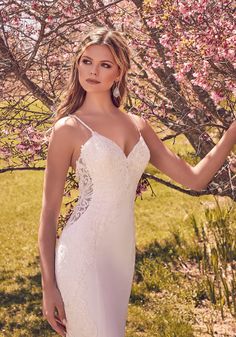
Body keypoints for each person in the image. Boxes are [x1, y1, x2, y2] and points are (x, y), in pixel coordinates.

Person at [38, 26, 236, 337]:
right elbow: (49, 213)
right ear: (77, 64)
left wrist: (232, 133)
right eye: (86, 61)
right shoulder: (69, 128)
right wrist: (48, 285)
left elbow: (194, 179)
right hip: (81, 252)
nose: (93, 71)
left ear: (119, 73)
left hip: (120, 255)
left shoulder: (138, 125)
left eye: (105, 65)